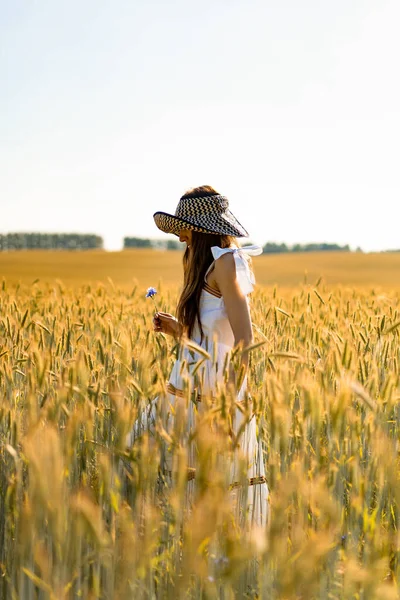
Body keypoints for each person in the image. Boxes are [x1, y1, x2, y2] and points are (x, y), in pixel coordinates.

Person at [127, 185, 269, 529]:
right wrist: (180, 330)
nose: (180, 239)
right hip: (188, 383)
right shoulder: (210, 267)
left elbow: (245, 339)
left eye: (184, 229)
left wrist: (227, 407)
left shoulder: (227, 265)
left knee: (212, 480)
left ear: (202, 229)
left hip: (217, 390)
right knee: (152, 461)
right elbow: (212, 336)